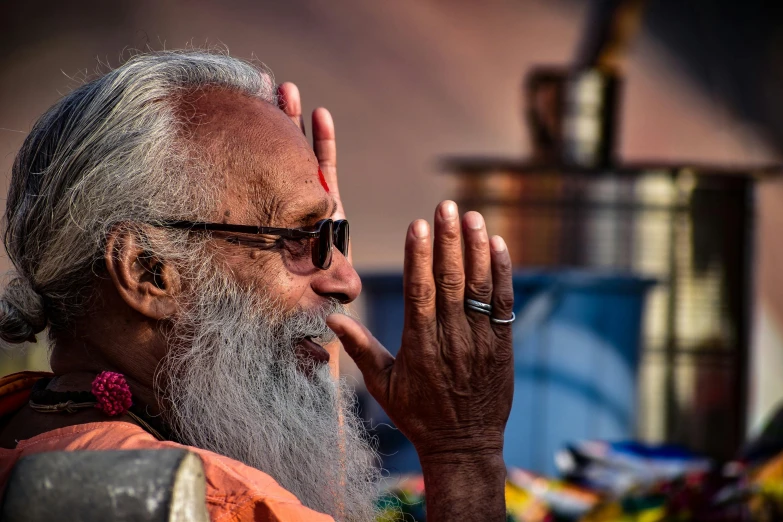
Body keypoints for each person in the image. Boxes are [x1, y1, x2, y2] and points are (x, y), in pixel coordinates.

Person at [0, 50, 515, 522]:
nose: (347, 279)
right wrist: (463, 455)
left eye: (331, 235)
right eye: (299, 237)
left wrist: (309, 399)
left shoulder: (25, 422)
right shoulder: (221, 502)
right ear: (149, 271)